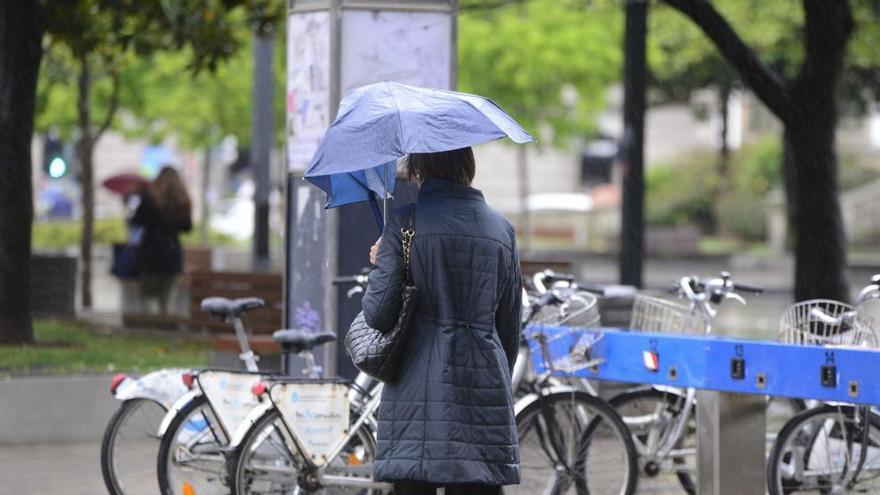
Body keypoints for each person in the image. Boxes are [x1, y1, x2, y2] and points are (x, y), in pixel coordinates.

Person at [361, 147, 522, 495]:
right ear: (468, 165)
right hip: (483, 387)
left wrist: (382, 266)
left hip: (415, 391)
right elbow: (509, 328)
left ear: (420, 168)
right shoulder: (502, 229)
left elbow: (379, 314)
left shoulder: (406, 224)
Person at [131, 166, 193, 315]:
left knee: (147, 297)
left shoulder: (149, 198)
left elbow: (136, 221)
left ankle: (149, 329)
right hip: (172, 254)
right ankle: (166, 328)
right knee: (167, 301)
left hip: (150, 253)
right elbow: (188, 228)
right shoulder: (183, 201)